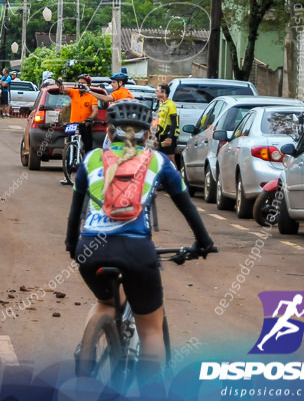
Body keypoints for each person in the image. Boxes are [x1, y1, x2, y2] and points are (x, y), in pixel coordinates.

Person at [66, 100, 215, 385]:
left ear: (108, 132)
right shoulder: (158, 162)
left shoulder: (91, 159)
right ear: (147, 135)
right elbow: (187, 207)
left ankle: (85, 357)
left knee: (104, 302)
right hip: (136, 250)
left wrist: (73, 248)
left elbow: (75, 214)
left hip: (90, 249)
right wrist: (203, 243)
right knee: (150, 329)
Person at [155, 83, 178, 165]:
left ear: (164, 92)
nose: (156, 93)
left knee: (170, 158)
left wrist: (170, 137)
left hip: (169, 135)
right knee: (162, 157)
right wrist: (156, 136)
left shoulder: (170, 105)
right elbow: (160, 122)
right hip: (163, 134)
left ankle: (176, 176)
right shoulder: (162, 104)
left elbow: (174, 122)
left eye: (157, 91)